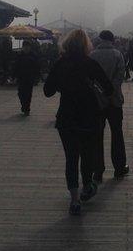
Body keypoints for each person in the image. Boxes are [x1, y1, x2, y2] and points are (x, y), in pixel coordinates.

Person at [43, 29, 113, 215]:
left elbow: (47, 91)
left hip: (66, 117)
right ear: (86, 45)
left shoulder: (60, 63)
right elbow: (108, 89)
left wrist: (63, 85)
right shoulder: (90, 63)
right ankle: (88, 185)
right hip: (89, 116)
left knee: (71, 158)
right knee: (87, 154)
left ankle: (74, 200)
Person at [89, 30, 129, 180]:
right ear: (112, 40)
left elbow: (91, 79)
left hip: (97, 102)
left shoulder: (92, 56)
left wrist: (101, 93)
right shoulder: (118, 55)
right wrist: (111, 92)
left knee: (97, 135)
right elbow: (119, 78)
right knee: (117, 133)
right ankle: (119, 167)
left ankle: (98, 169)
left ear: (100, 40)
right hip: (115, 101)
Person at [13, 41, 41, 115]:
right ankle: (24, 106)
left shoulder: (34, 55)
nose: (26, 48)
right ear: (23, 47)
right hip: (21, 77)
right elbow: (16, 66)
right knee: (20, 93)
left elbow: (37, 67)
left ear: (30, 47)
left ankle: (27, 108)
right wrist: (14, 76)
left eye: (27, 46)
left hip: (30, 78)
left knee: (28, 94)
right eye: (25, 46)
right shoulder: (19, 55)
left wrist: (37, 76)